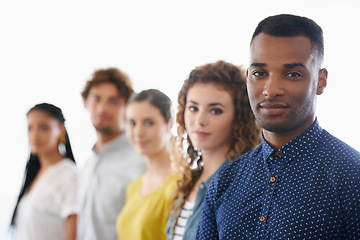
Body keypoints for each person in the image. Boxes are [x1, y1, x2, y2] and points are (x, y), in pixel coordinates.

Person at [197, 14, 360, 239]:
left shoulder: (353, 178)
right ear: (247, 78)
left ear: (320, 81)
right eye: (259, 74)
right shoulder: (223, 183)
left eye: (292, 74)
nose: (271, 90)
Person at [165, 60, 262, 240]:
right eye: (193, 108)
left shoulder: (242, 186)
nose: (199, 120)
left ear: (239, 118)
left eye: (215, 111)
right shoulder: (189, 180)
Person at [77, 68, 146, 240]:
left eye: (113, 101)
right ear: (86, 102)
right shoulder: (87, 166)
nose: (102, 108)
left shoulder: (140, 163)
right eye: (96, 99)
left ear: (128, 108)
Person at [10, 103, 78, 240]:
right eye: (30, 128)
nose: (35, 135)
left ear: (61, 129)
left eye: (43, 127)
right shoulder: (36, 175)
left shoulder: (70, 176)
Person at [116, 89, 177, 240]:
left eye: (148, 123)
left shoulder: (179, 184)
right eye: (132, 123)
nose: (138, 132)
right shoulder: (134, 186)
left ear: (169, 125)